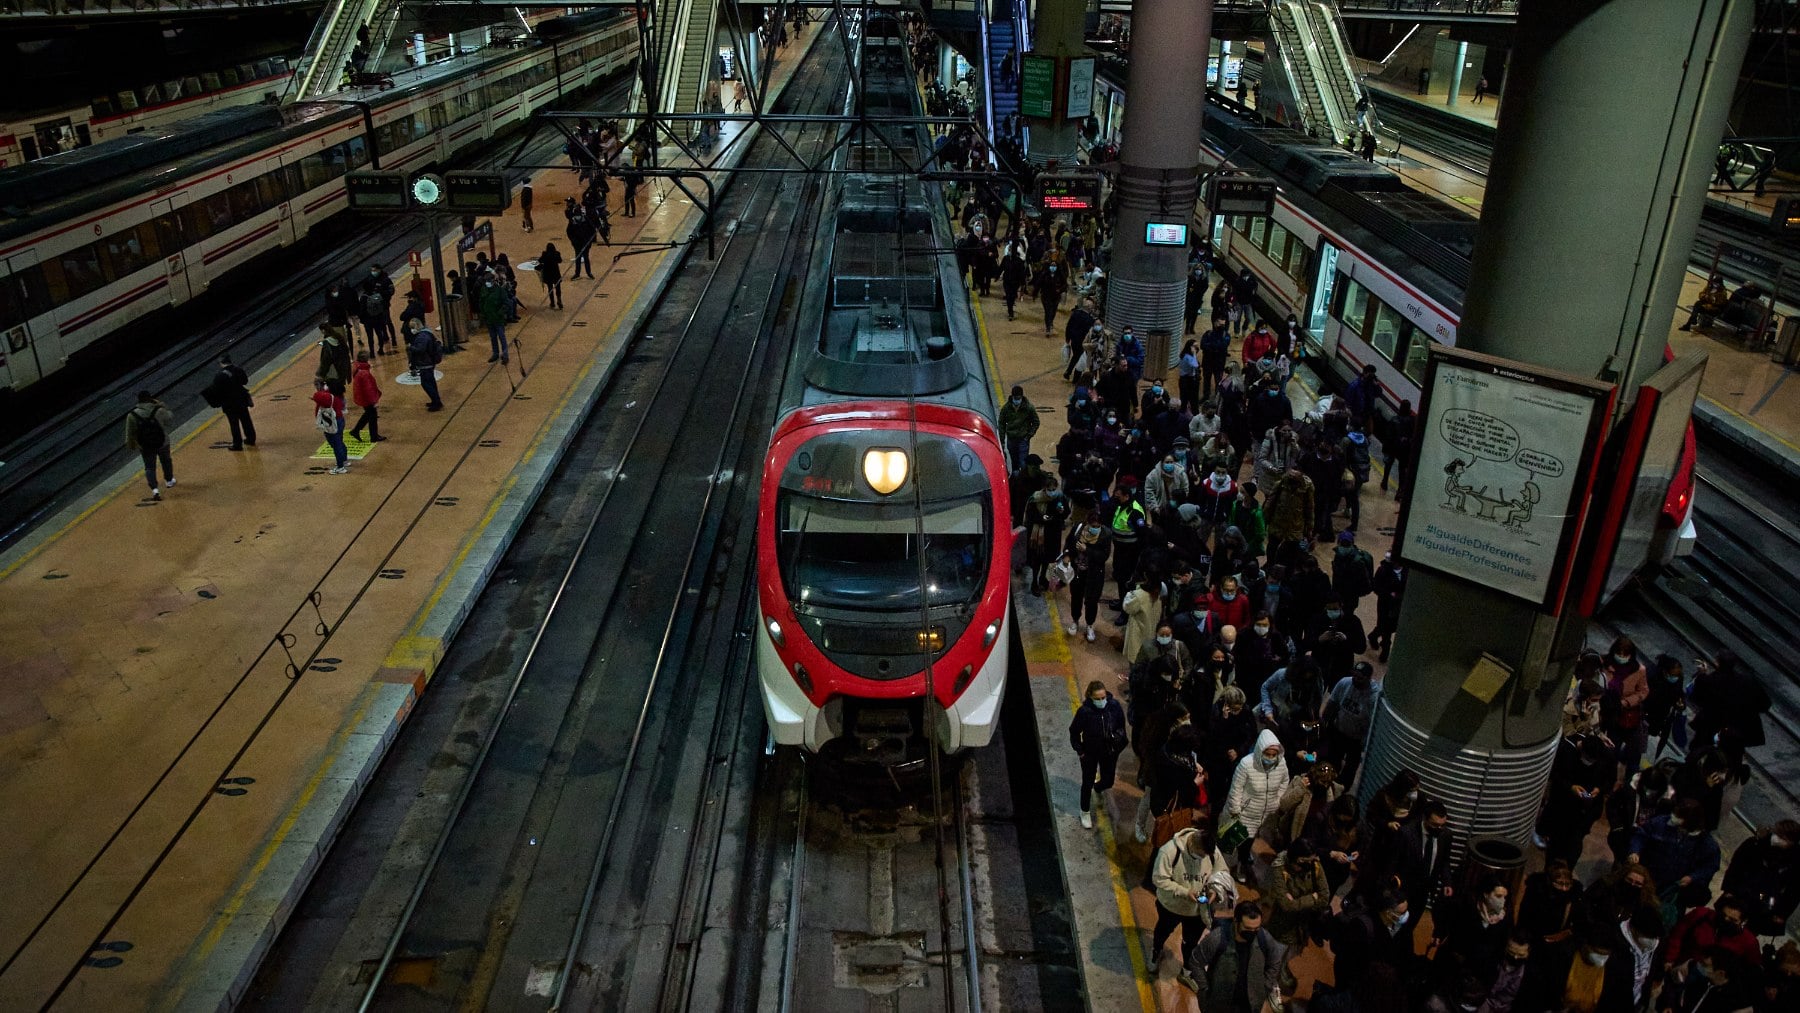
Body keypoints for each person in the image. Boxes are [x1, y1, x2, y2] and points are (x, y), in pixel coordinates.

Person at [1151, 824, 1236, 970]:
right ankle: (1156, 952)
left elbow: (1221, 871)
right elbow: (1159, 879)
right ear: (1191, 843)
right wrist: (1184, 892)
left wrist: (1215, 889)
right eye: (1200, 854)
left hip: (1197, 911)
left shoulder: (1211, 851)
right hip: (1171, 906)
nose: (1203, 858)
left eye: (1205, 856)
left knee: (1191, 942)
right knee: (1162, 932)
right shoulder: (1169, 851)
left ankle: (1187, 970)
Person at [1183, 900, 1290, 1009]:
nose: (1252, 932)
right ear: (1236, 922)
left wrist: (1265, 986)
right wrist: (1204, 988)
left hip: (1249, 1003)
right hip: (1218, 1003)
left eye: (1256, 929)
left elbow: (1275, 960)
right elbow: (1195, 962)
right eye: (1248, 928)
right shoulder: (1217, 938)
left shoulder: (1264, 938)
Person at [1631, 799, 1721, 920]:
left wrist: (1693, 877)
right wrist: (1635, 851)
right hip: (1649, 878)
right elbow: (1641, 834)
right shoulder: (1661, 823)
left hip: (1673, 890)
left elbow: (1710, 866)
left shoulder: (1706, 844)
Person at [1224, 728, 1290, 884]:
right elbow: (1236, 788)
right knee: (1243, 840)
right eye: (1268, 754)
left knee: (1252, 838)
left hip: (1266, 812)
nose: (1271, 758)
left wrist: (1277, 800)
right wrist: (1235, 808)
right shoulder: (1246, 764)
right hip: (1247, 811)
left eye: (1274, 755)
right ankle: (1241, 863)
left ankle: (1245, 856)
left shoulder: (1281, 765)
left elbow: (1284, 782)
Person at [1720, 819, 1800, 937]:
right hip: (1742, 891)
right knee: (1724, 919)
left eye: (1784, 837)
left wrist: (1782, 913)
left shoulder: (1795, 862)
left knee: (1748, 932)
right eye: (1778, 834)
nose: (1778, 838)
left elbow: (1794, 891)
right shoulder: (1755, 844)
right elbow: (1736, 866)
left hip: (1764, 900)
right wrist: (1729, 888)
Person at [1069, 680, 1128, 829]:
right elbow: (1074, 732)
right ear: (1090, 697)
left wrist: (1117, 743)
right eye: (1098, 699)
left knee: (1108, 781)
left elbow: (1121, 726)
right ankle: (1085, 811)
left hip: (1109, 752)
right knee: (1087, 783)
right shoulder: (1085, 712)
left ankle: (1099, 787)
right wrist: (1080, 751)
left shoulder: (1114, 707)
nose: (1102, 701)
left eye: (1103, 698)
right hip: (1090, 753)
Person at [1265, 838, 1330, 947]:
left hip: (1303, 927)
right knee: (1276, 957)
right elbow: (1286, 905)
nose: (1310, 863)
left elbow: (1324, 898)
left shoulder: (1315, 866)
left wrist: (1296, 903)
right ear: (1297, 859)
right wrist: (1313, 898)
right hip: (1282, 927)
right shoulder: (1280, 869)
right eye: (1306, 861)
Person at [1323, 662, 1379, 781]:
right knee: (1332, 759)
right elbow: (1332, 703)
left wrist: (1365, 744)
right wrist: (1323, 722)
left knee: (1350, 768)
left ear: (1368, 678)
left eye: (1360, 678)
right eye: (1354, 676)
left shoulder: (1374, 696)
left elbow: (1374, 723)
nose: (1355, 680)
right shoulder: (1345, 682)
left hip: (1356, 739)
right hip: (1339, 729)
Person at [1063, 513, 1111, 642]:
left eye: (1097, 526)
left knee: (1091, 600)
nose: (1094, 528)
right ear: (1087, 523)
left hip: (1094, 575)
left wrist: (1086, 550)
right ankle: (1075, 621)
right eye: (1092, 526)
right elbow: (1068, 543)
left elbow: (1104, 556)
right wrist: (1067, 555)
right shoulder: (1078, 528)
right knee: (1076, 597)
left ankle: (1090, 625)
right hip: (1078, 571)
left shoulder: (1105, 534)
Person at [125, 391, 175, 499]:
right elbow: (170, 419)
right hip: (163, 442)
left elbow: (129, 433)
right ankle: (169, 480)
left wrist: (132, 446)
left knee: (149, 467)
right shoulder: (159, 410)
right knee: (166, 461)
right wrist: (163, 406)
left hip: (146, 446)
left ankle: (155, 489)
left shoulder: (132, 415)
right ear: (151, 399)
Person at [204, 354, 256, 451]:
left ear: (220, 363)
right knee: (246, 420)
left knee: (234, 424)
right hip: (241, 400)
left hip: (229, 404)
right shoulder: (238, 370)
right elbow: (245, 381)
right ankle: (251, 439)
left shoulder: (219, 375)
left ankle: (237, 444)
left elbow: (216, 391)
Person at [998, 385, 1040, 474]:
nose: (1017, 400)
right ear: (1012, 397)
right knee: (1014, 462)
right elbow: (1001, 423)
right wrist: (1002, 440)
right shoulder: (1006, 408)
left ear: (1021, 397)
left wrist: (1029, 436)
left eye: (1018, 398)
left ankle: (1023, 480)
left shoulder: (1028, 408)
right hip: (1011, 439)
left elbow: (1036, 422)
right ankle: (1016, 480)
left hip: (1023, 439)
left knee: (1023, 462)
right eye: (1015, 398)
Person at [312, 379, 349, 474]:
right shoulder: (338, 396)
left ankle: (340, 466)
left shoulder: (328, 396)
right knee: (339, 442)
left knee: (335, 444)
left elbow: (316, 396)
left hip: (332, 423)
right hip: (340, 420)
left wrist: (322, 389)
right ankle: (344, 460)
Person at [348, 352, 385, 443]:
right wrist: (374, 401)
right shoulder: (364, 373)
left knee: (368, 414)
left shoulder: (358, 368)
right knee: (372, 416)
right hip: (366, 398)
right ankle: (373, 436)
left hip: (361, 396)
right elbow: (369, 389)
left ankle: (356, 431)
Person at [407, 324, 445, 411]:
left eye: (412, 328)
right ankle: (435, 400)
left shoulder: (421, 337)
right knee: (431, 383)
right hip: (428, 362)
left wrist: (410, 347)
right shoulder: (426, 333)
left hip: (425, 364)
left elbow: (420, 349)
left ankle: (436, 403)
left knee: (426, 384)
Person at [478, 278, 510, 365]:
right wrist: (483, 313)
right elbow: (481, 302)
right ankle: (495, 353)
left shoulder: (500, 291)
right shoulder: (484, 290)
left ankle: (505, 354)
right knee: (493, 337)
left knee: (501, 336)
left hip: (498, 319)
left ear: (493, 281)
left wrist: (501, 313)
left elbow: (506, 303)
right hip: (489, 318)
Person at [1200, 314, 1231, 399]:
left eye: (1223, 325)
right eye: (1220, 324)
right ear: (1215, 323)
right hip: (1207, 362)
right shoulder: (1208, 334)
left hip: (1219, 364)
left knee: (1218, 381)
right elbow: (1202, 345)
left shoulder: (1226, 335)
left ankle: (1217, 398)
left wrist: (1211, 347)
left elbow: (1223, 346)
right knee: (1206, 381)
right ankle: (1206, 396)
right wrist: (1216, 348)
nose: (1221, 327)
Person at [537, 242, 564, 309]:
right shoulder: (557, 253)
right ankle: (559, 300)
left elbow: (540, 260)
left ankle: (552, 303)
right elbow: (560, 261)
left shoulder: (545, 254)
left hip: (548, 274)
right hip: (556, 274)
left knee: (550, 289)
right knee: (558, 288)